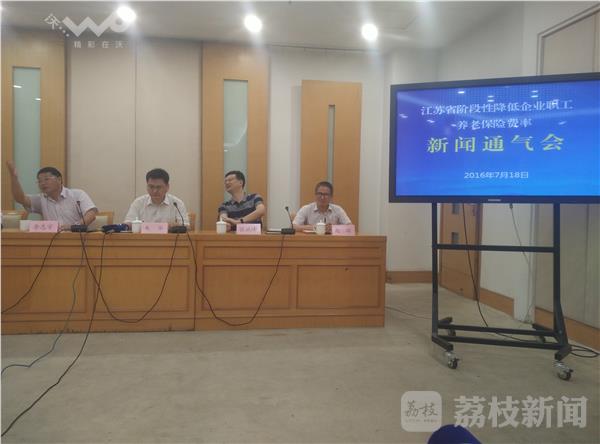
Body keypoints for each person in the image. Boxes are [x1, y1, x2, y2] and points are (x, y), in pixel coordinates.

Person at [6, 160, 97, 230]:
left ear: (59, 179)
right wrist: (14, 178)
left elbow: (91, 214)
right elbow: (20, 199)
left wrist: (73, 227)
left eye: (46, 179)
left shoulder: (77, 194)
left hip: (77, 239)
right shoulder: (41, 199)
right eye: (39, 181)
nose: (42, 183)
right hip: (51, 241)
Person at [124, 168, 190, 227]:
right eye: (151, 187)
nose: (155, 191)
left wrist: (175, 225)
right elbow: (128, 224)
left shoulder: (177, 203)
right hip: (144, 237)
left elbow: (186, 226)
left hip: (168, 237)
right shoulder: (138, 202)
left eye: (159, 187)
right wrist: (132, 225)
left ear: (167, 187)